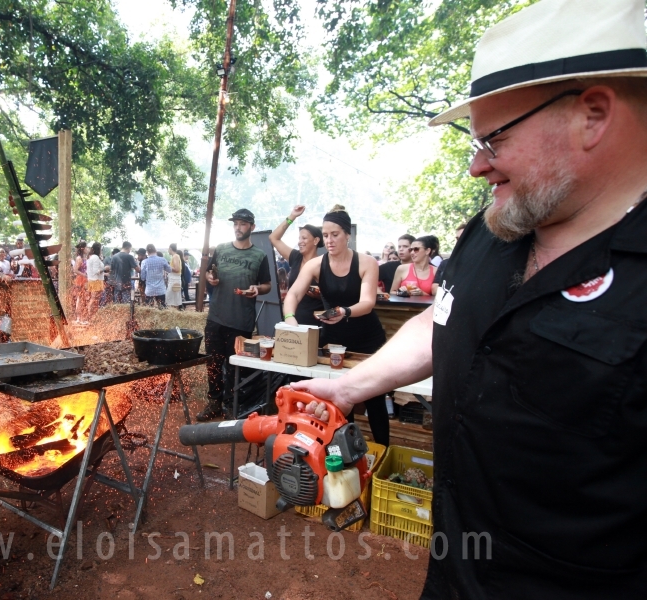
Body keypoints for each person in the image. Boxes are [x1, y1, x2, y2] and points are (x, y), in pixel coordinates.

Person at [293, 0, 647, 596]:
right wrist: (351, 386)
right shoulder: (494, 229)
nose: (477, 166)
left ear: (593, 115)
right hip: (456, 567)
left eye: (495, 139)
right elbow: (445, 315)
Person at [283, 205, 389, 446]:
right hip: (336, 341)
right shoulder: (316, 264)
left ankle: (383, 452)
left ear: (347, 235)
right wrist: (291, 319)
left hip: (367, 340)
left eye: (335, 234)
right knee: (341, 399)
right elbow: (293, 294)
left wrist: (345, 311)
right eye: (326, 235)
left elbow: (368, 303)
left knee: (375, 400)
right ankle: (345, 453)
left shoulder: (366, 262)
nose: (329, 240)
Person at [197, 209, 272, 421]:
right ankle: (214, 402)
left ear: (252, 227)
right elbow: (209, 271)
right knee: (213, 362)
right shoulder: (221, 249)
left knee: (235, 366)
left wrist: (257, 289)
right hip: (216, 318)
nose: (238, 227)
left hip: (241, 322)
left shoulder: (259, 256)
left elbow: (267, 285)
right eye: (236, 224)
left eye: (243, 224)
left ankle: (232, 405)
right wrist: (210, 277)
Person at [269, 204, 324, 325]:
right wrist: (292, 217)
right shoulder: (296, 257)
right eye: (299, 238)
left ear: (316, 240)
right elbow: (274, 238)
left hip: (315, 322)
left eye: (304, 238)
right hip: (293, 319)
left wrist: (319, 295)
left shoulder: (322, 263)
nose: (300, 242)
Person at [85, 242, 107, 322]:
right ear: (99, 249)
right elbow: (96, 271)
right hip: (95, 281)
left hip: (94, 280)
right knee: (94, 299)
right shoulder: (95, 258)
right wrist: (105, 269)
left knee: (95, 300)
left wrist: (105, 272)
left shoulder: (92, 257)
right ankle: (90, 317)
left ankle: (93, 316)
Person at [166, 243, 184, 310]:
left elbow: (177, 269)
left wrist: (167, 266)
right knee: (174, 298)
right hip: (174, 279)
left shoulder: (175, 256)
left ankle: (174, 313)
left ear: (170, 248)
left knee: (171, 298)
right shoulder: (176, 256)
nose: (168, 250)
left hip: (174, 280)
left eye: (168, 249)